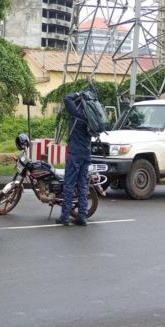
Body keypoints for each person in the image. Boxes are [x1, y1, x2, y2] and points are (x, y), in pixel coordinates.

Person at [57, 89, 93, 226]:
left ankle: (65, 216)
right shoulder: (90, 116)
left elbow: (67, 99)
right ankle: (82, 216)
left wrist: (78, 93)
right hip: (86, 153)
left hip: (75, 154)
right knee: (83, 186)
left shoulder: (78, 112)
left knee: (69, 185)